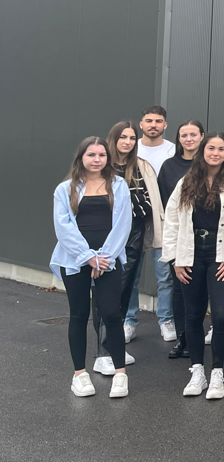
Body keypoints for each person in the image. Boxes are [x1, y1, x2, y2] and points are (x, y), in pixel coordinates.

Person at [161, 132, 224, 400]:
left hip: (221, 255)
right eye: (211, 148)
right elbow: (172, 221)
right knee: (193, 315)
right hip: (190, 254)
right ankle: (197, 371)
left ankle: (217, 373)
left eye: (221, 149)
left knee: (221, 315)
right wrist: (174, 259)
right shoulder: (186, 181)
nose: (216, 153)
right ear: (203, 150)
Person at [52, 137, 133, 398]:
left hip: (108, 260)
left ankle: (120, 375)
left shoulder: (118, 185)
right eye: (91, 155)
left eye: (101, 155)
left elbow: (123, 223)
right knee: (78, 315)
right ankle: (79, 374)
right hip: (75, 260)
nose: (97, 159)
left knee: (112, 314)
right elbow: (63, 227)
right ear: (81, 158)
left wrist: (103, 257)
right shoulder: (65, 189)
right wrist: (88, 257)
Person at [100, 121, 161, 358]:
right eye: (123, 137)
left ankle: (113, 345)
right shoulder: (101, 164)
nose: (127, 142)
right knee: (105, 290)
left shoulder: (141, 167)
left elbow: (150, 203)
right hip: (104, 234)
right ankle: (102, 345)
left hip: (133, 234)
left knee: (125, 288)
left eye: (132, 138)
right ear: (113, 138)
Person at [156, 120, 204, 359]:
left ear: (202, 136)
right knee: (178, 287)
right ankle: (182, 338)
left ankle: (196, 337)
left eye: (193, 134)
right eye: (184, 135)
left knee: (200, 289)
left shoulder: (209, 164)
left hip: (204, 237)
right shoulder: (169, 166)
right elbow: (167, 204)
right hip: (178, 234)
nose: (188, 139)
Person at [134, 106, 176, 343]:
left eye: (158, 121)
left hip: (163, 217)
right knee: (131, 274)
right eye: (148, 120)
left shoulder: (171, 151)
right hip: (136, 218)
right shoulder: (132, 147)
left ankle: (166, 319)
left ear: (165, 125)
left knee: (165, 274)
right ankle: (129, 321)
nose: (153, 125)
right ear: (141, 124)